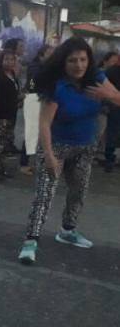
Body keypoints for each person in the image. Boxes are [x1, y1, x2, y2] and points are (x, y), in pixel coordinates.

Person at [18, 37, 107, 265]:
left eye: (83, 60)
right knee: (45, 193)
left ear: (89, 61)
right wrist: (49, 155)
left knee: (79, 191)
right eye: (72, 61)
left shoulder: (97, 80)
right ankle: (31, 241)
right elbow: (45, 123)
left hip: (85, 147)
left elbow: (116, 98)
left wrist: (110, 96)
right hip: (56, 146)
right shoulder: (58, 86)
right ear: (63, 63)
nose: (78, 65)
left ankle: (67, 230)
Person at [20, 45, 55, 175]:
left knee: (43, 131)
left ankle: (36, 160)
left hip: (43, 99)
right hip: (34, 98)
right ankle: (24, 163)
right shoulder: (35, 66)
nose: (53, 56)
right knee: (31, 132)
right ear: (42, 54)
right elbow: (34, 82)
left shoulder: (47, 67)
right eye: (50, 54)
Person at [0, 50, 20, 181]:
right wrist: (16, 100)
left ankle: (1, 168)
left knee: (5, 143)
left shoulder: (12, 74)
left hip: (11, 114)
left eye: (12, 59)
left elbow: (25, 86)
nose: (10, 62)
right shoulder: (0, 77)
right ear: (1, 61)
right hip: (1, 115)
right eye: (6, 59)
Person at [102, 66, 120, 172]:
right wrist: (105, 104)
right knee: (112, 132)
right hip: (114, 106)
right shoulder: (112, 71)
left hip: (114, 106)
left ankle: (109, 159)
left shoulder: (111, 71)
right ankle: (109, 159)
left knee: (112, 132)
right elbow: (102, 87)